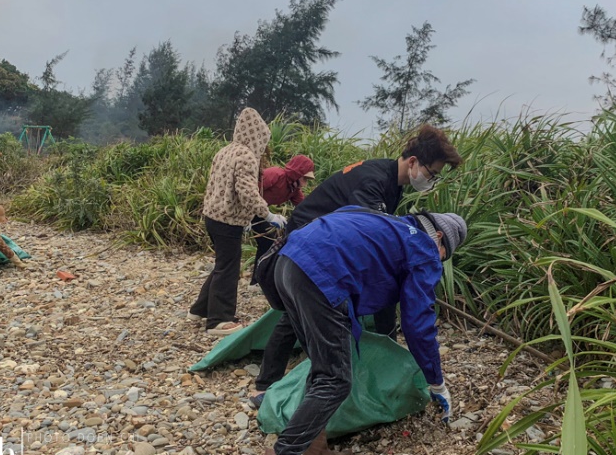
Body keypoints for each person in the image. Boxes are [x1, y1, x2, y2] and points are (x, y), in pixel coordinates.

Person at [251, 207, 467, 455]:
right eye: (444, 254)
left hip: (288, 262)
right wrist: (436, 381)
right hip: (320, 274)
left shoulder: (389, 225)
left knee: (322, 368)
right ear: (438, 237)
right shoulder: (423, 247)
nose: (440, 261)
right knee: (336, 380)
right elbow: (418, 324)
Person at [250, 124, 462, 407]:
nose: (431, 181)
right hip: (310, 241)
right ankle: (269, 385)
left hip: (321, 246)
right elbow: (367, 235)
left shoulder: (390, 180)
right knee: (296, 314)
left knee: (307, 314)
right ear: (413, 162)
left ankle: (347, 368)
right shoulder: (373, 181)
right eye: (432, 174)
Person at [190, 107, 286, 336]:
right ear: (257, 135)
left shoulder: (225, 151)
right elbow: (247, 192)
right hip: (227, 221)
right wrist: (269, 215)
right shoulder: (247, 156)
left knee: (223, 264)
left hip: (212, 216)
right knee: (228, 268)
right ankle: (218, 321)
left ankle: (199, 309)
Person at [248, 155, 315, 284]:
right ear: (297, 174)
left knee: (267, 243)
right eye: (305, 178)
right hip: (248, 208)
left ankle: (257, 281)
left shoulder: (293, 189)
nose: (306, 183)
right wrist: (246, 216)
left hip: (260, 212)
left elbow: (304, 207)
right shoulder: (276, 174)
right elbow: (251, 190)